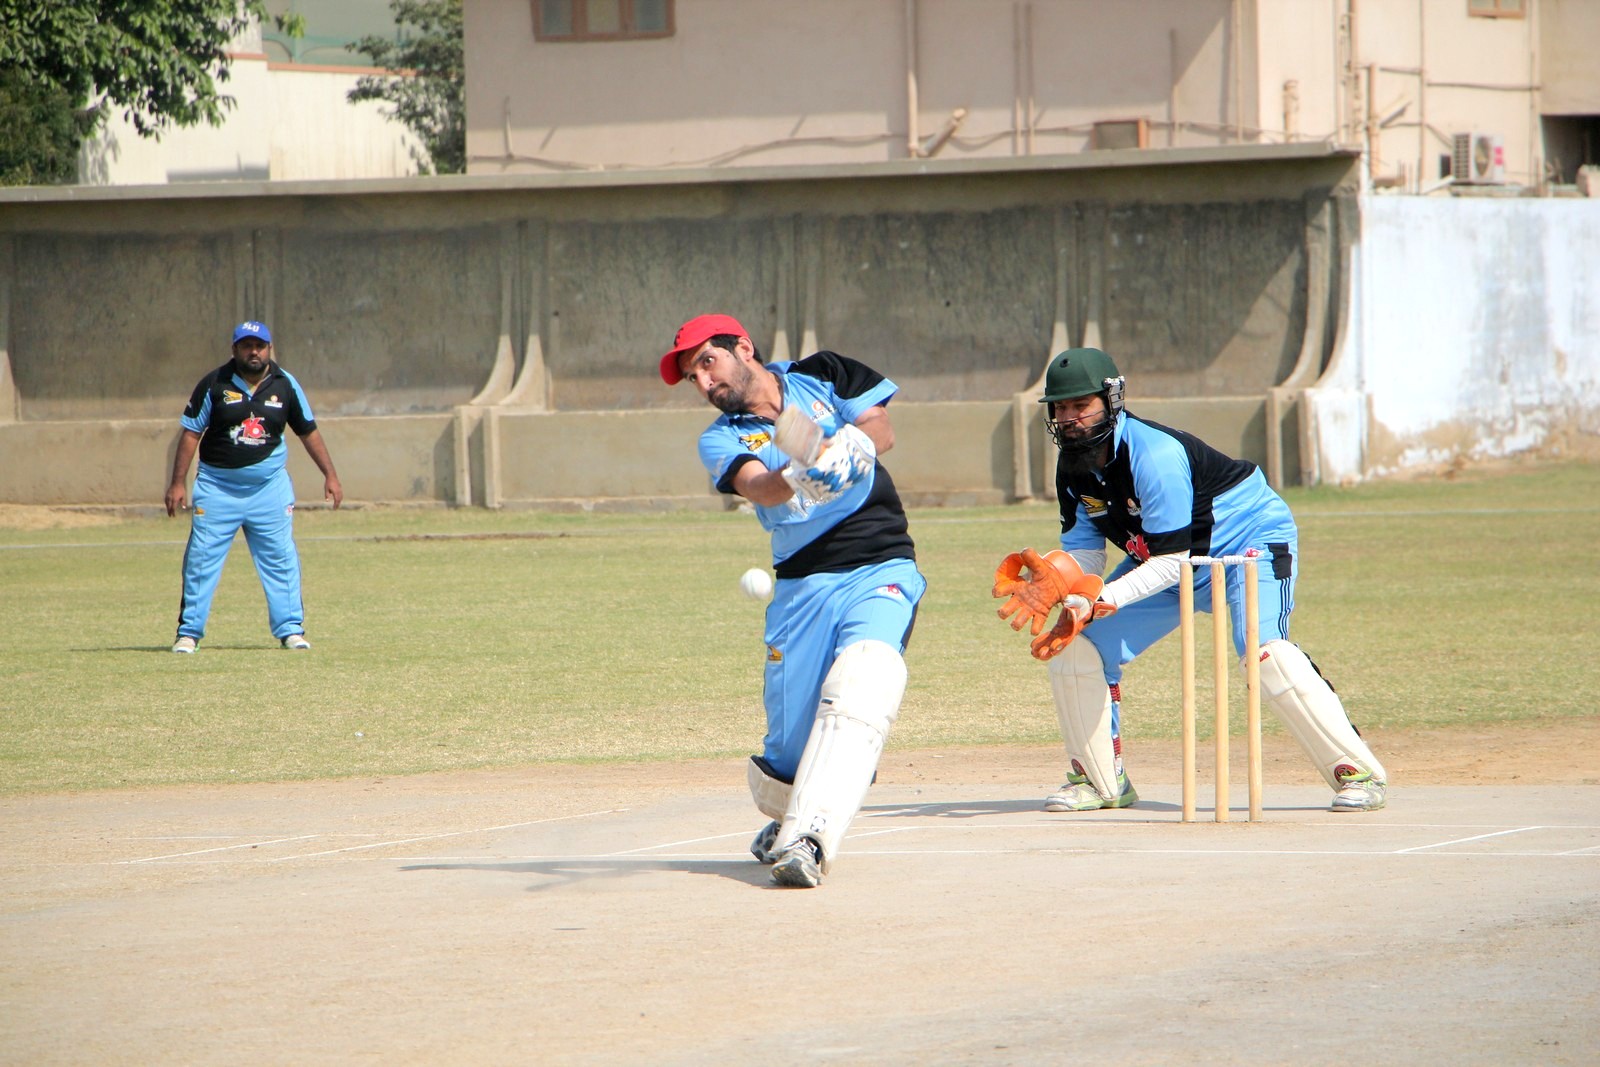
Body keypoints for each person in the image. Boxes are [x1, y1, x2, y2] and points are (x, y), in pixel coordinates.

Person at [993, 347, 1387, 813]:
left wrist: (1098, 599)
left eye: (1082, 405)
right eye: (1060, 408)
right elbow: (1087, 552)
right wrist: (1062, 582)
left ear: (1112, 399)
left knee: (1265, 653)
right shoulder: (1073, 468)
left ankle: (1357, 771)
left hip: (1245, 546)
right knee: (1078, 646)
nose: (1070, 419)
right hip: (1167, 562)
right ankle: (1101, 782)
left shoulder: (1154, 454)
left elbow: (1172, 560)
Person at [660, 313, 926, 888]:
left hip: (880, 562)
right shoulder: (721, 437)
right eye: (692, 378)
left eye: (707, 362)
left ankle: (810, 838)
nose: (703, 383)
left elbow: (881, 430)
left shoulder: (821, 373)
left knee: (865, 680)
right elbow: (759, 487)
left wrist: (849, 446)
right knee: (787, 752)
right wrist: (809, 472)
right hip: (802, 586)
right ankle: (788, 812)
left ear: (743, 348)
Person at [165, 320, 342, 653]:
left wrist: (330, 474)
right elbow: (191, 433)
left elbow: (308, 431)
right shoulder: (214, 384)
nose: (254, 352)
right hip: (218, 488)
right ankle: (188, 634)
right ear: (235, 350)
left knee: (280, 559)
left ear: (269, 349)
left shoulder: (285, 384)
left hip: (268, 489)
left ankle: (291, 630)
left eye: (260, 346)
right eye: (247, 346)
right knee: (201, 561)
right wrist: (177, 483)